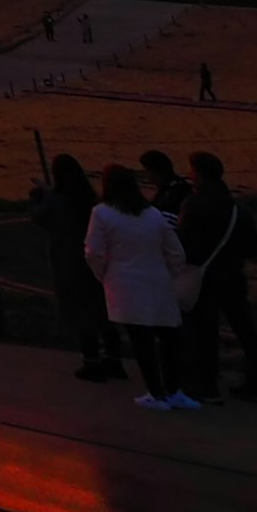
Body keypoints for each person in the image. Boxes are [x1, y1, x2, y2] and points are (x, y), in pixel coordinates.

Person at [85, 163, 195, 408]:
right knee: (168, 337)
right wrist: (169, 274)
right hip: (158, 282)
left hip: (124, 283)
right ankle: (173, 390)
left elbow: (94, 252)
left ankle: (156, 394)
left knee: (141, 340)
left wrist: (103, 276)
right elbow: (175, 252)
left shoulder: (102, 213)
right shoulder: (152, 213)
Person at [179, 152, 257, 402]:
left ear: (200, 174)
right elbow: (254, 248)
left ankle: (206, 386)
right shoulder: (237, 210)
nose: (190, 176)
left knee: (204, 333)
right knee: (246, 331)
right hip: (232, 278)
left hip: (204, 279)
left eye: (193, 172)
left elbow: (182, 243)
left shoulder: (193, 205)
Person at [34, 153, 120, 380]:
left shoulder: (57, 200)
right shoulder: (89, 198)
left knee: (79, 312)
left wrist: (37, 199)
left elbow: (41, 218)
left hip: (68, 262)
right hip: (95, 263)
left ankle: (91, 362)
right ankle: (114, 359)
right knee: (102, 310)